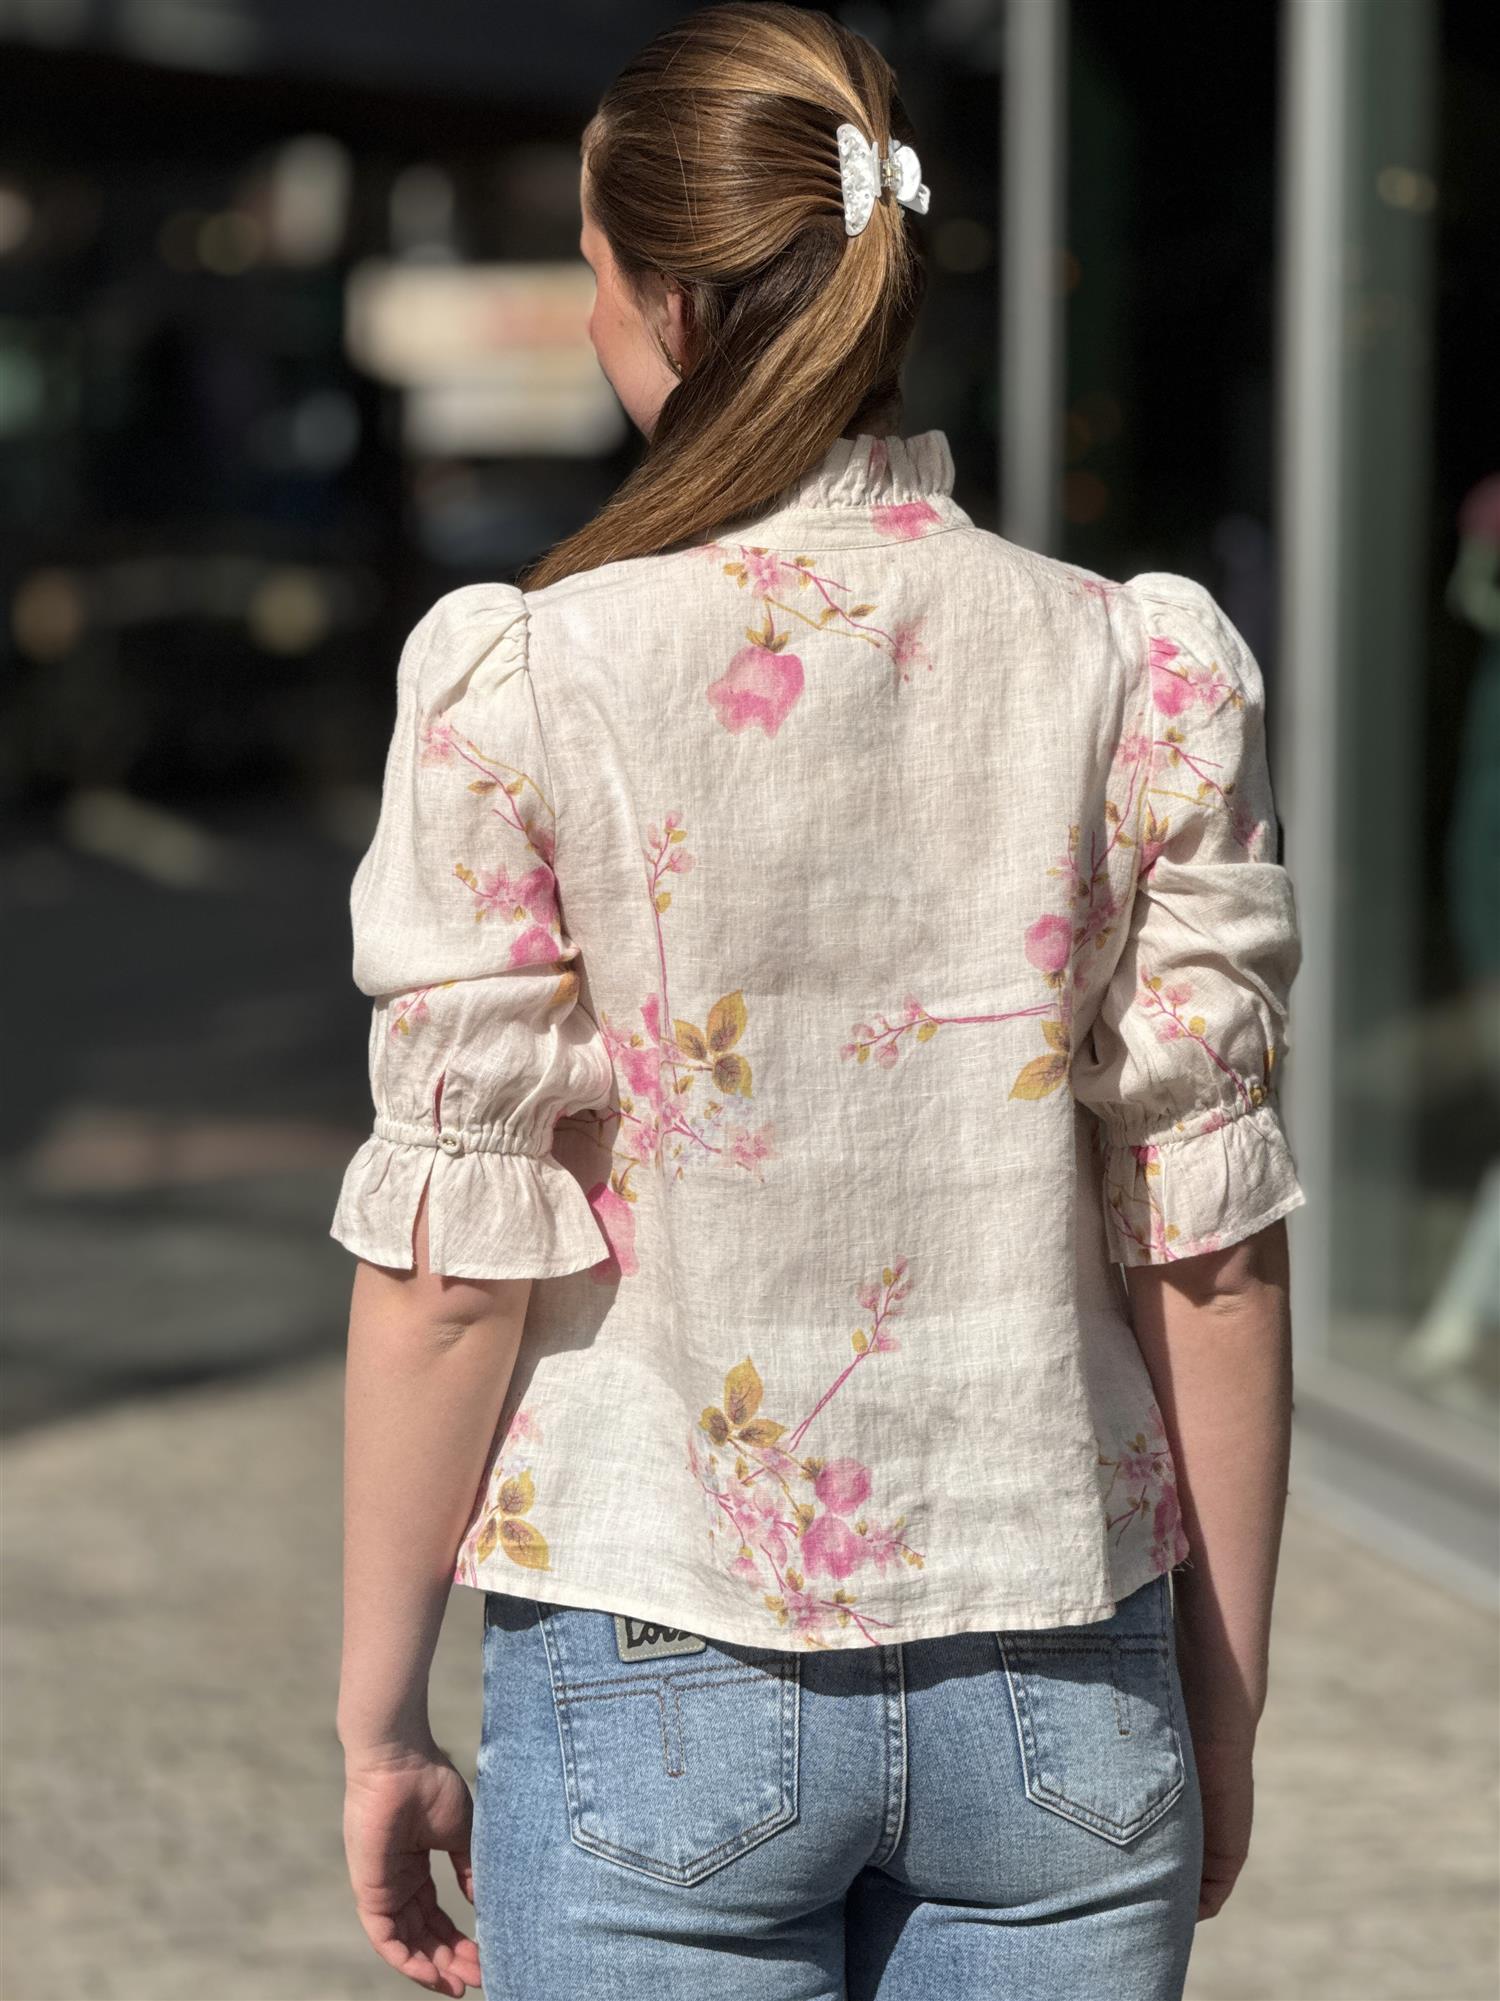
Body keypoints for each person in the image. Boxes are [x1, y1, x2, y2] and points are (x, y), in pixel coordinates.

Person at [331, 7, 1306, 1997]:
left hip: (646, 1650)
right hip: (1063, 1660)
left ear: (668, 302)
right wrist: (1223, 1688)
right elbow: (1208, 1242)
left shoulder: (527, 684)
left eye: (594, 282)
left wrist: (378, 1716)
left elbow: (448, 1273)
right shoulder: (1138, 669)